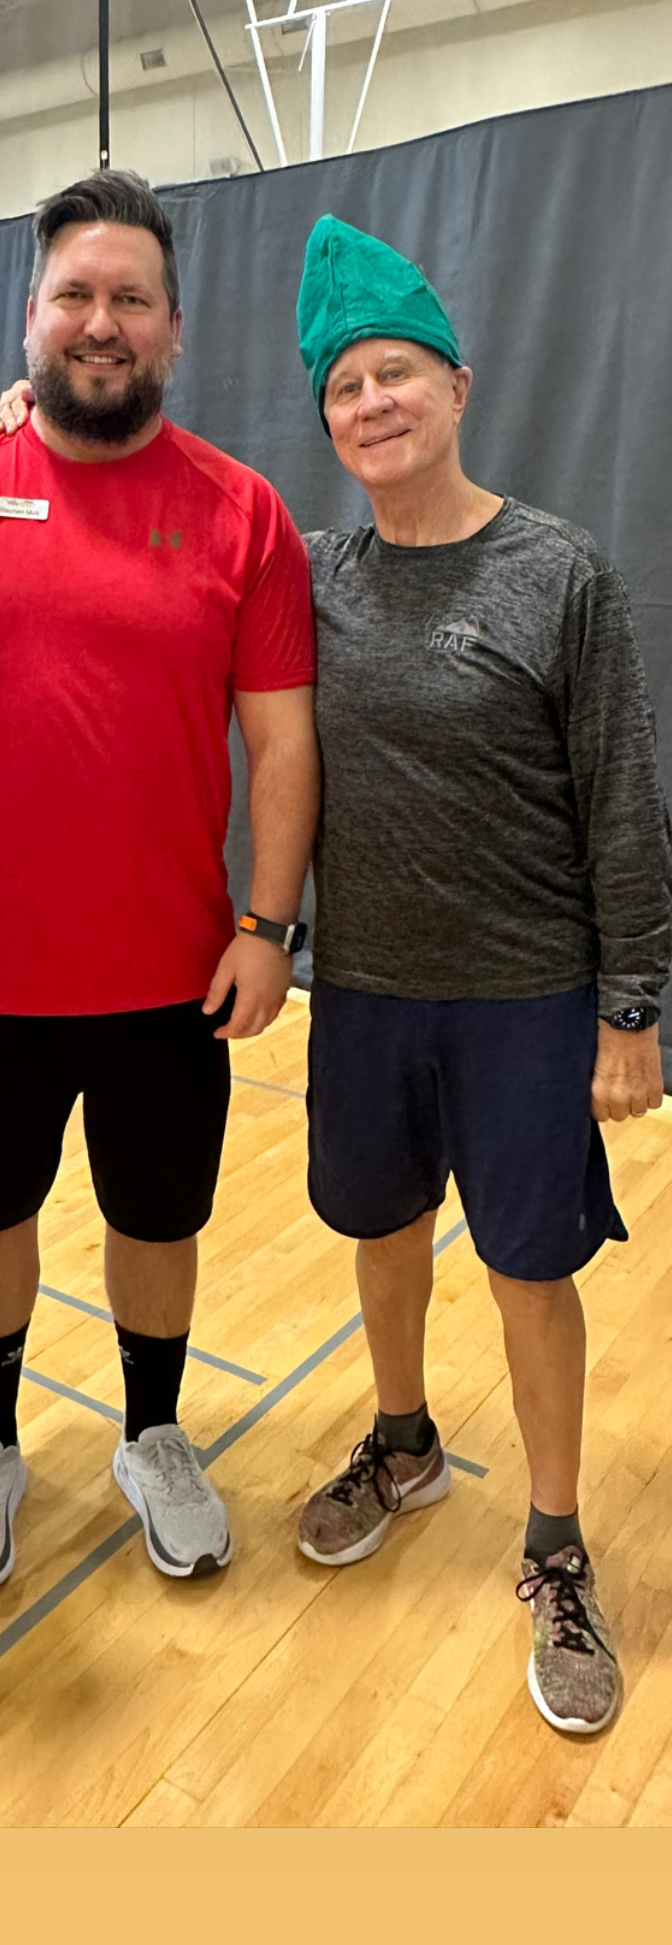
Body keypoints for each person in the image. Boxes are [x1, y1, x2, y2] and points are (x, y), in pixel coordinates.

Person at [0, 171, 320, 1591]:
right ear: (32, 318)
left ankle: (154, 1429)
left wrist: (266, 927)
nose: (99, 320)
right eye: (74, 295)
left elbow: (283, 739)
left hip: (175, 973)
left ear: (173, 329)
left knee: (154, 1221)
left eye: (128, 298)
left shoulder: (241, 513)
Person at [290, 216, 669, 1736]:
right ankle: (401, 1441)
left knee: (528, 1269)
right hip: (366, 990)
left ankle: (557, 1543)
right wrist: (19, 429)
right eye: (342, 385)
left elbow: (623, 801)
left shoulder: (557, 571)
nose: (371, 402)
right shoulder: (306, 573)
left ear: (456, 383)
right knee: (379, 1231)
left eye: (396, 374)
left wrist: (630, 1007)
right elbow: (146, 547)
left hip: (524, 997)